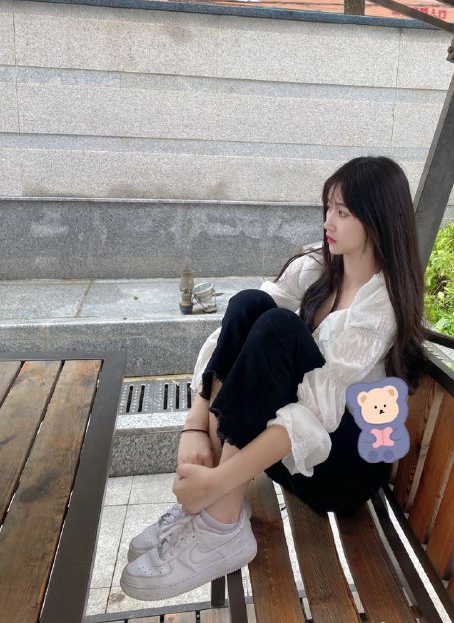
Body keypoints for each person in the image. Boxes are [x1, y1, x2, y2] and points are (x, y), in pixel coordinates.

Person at [121, 156, 426, 602]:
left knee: (281, 329)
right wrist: (194, 426)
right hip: (292, 448)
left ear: (378, 220)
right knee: (250, 305)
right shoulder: (317, 267)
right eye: (327, 208)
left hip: (343, 469)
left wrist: (215, 483)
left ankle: (220, 518)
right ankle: (215, 507)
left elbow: (316, 413)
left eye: (343, 212)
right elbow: (233, 336)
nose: (328, 221)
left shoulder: (380, 307)